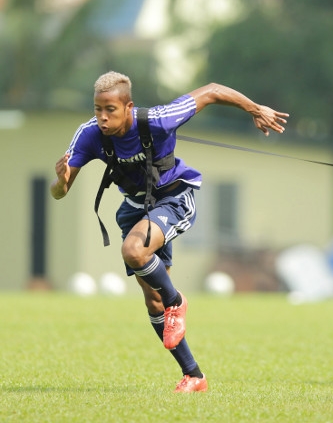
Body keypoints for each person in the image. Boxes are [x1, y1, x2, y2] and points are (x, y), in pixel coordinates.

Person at [50, 71, 288, 392]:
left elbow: (213, 90)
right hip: (135, 210)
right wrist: (62, 181)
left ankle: (178, 301)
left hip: (174, 197)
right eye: (97, 109)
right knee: (153, 303)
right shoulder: (89, 134)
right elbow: (59, 192)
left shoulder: (159, 120)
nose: (103, 118)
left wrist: (255, 109)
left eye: (110, 109)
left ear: (129, 107)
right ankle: (194, 375)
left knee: (135, 252)